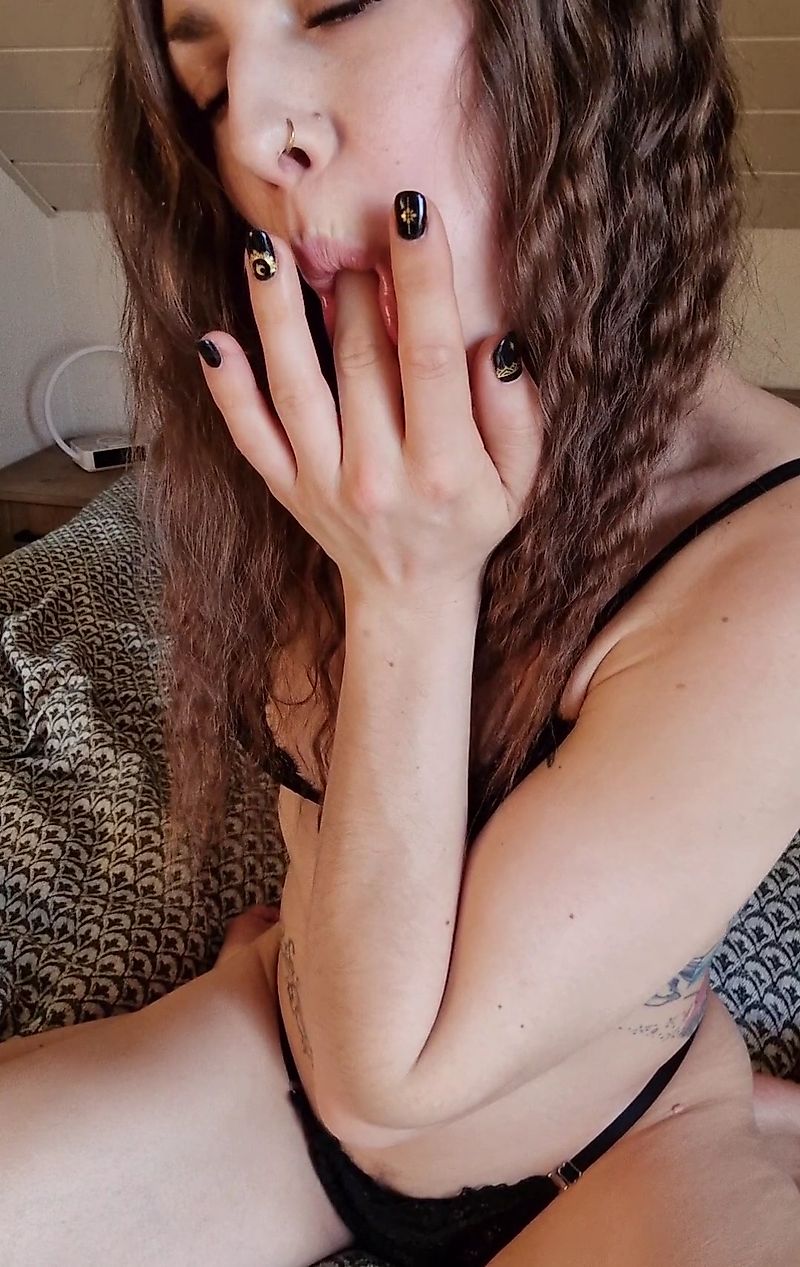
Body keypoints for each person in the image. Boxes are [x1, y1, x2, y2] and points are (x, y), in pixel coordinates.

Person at [2, 1, 800, 1264]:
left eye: (333, 7)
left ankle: (746, 1128)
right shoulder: (328, 418)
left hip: (609, 1140)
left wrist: (408, 591)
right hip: (292, 1062)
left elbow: (402, 1073)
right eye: (210, 85)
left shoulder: (772, 553)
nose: (255, 134)